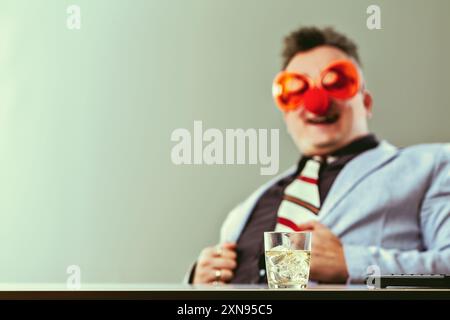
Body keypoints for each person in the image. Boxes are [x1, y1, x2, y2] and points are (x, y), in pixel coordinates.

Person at [186, 26, 450, 284]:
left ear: (366, 102)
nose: (317, 100)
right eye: (296, 89)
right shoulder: (246, 208)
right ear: (286, 114)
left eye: (336, 82)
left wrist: (352, 264)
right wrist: (196, 285)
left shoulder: (432, 165)